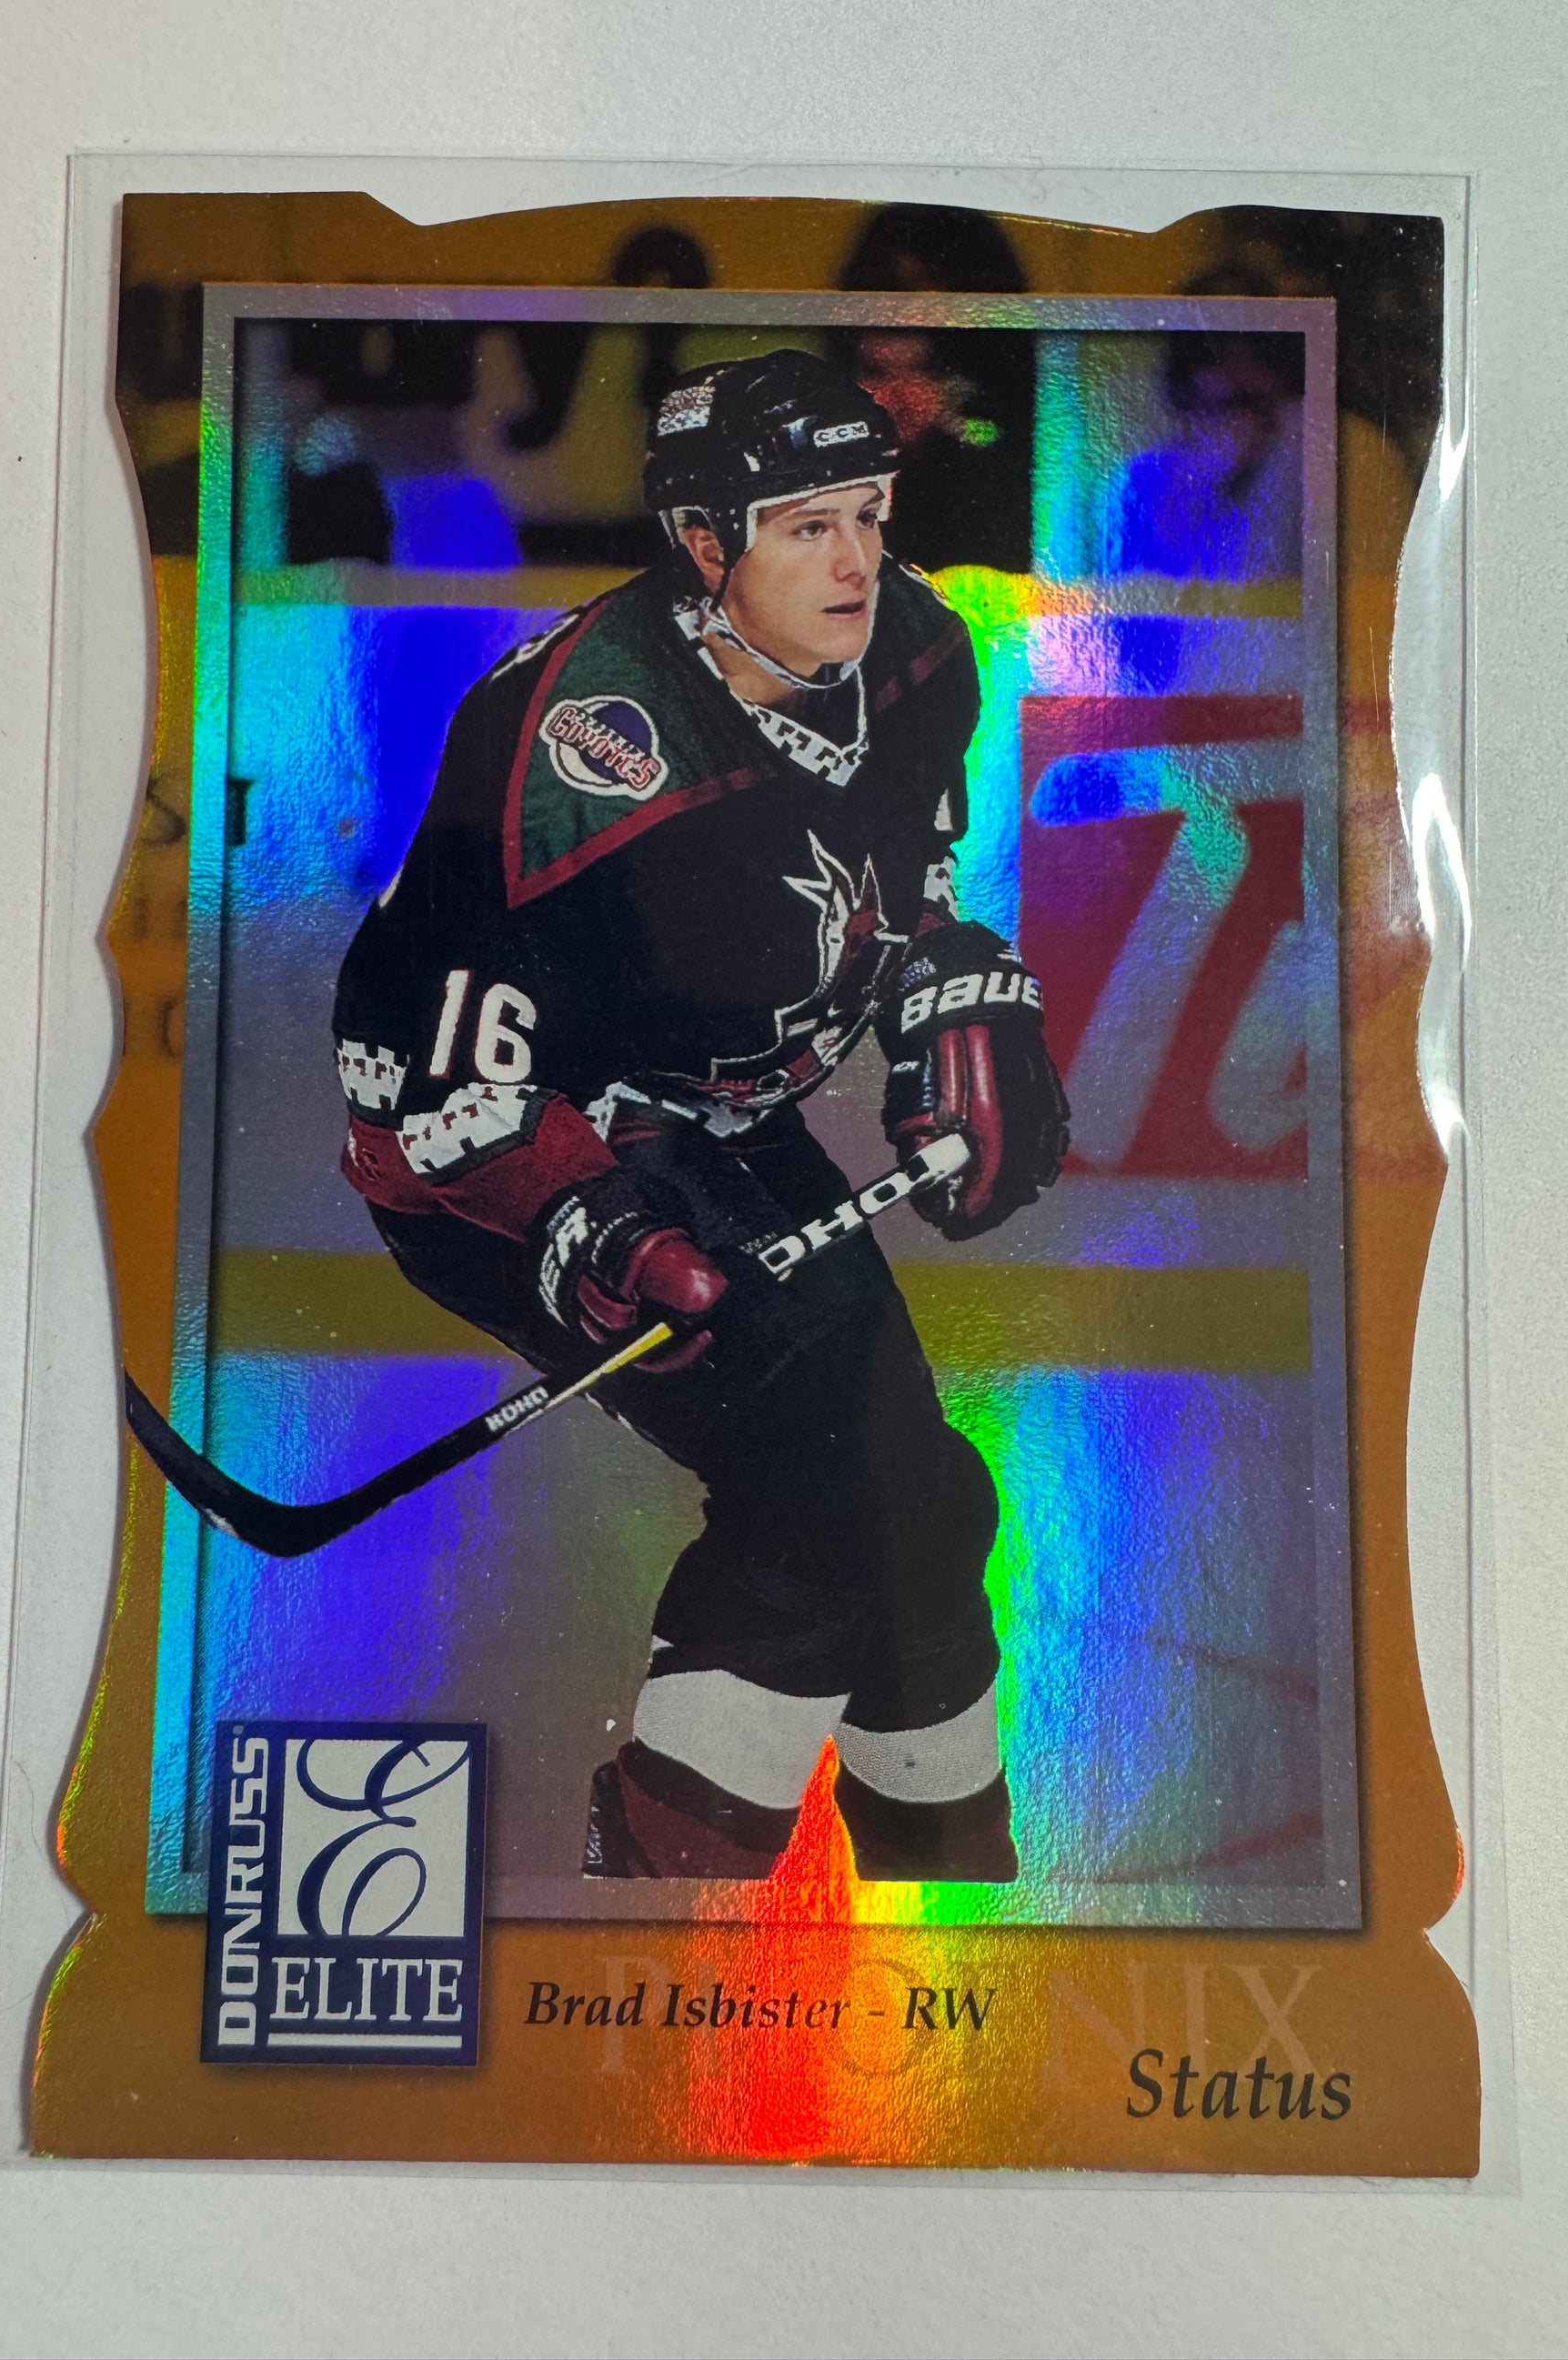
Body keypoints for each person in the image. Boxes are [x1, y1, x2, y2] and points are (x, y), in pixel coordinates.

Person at [330, 349, 1068, 1883]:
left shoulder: (917, 650)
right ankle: (668, 1889)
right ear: (702, 542)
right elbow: (425, 1070)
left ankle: (942, 1868)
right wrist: (584, 1225)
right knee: (818, 1501)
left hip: (719, 1119)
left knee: (919, 1501)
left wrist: (952, 989)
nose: (857, 561)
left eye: (867, 512)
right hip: (508, 1148)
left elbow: (895, 891)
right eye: (806, 526)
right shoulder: (582, 738)